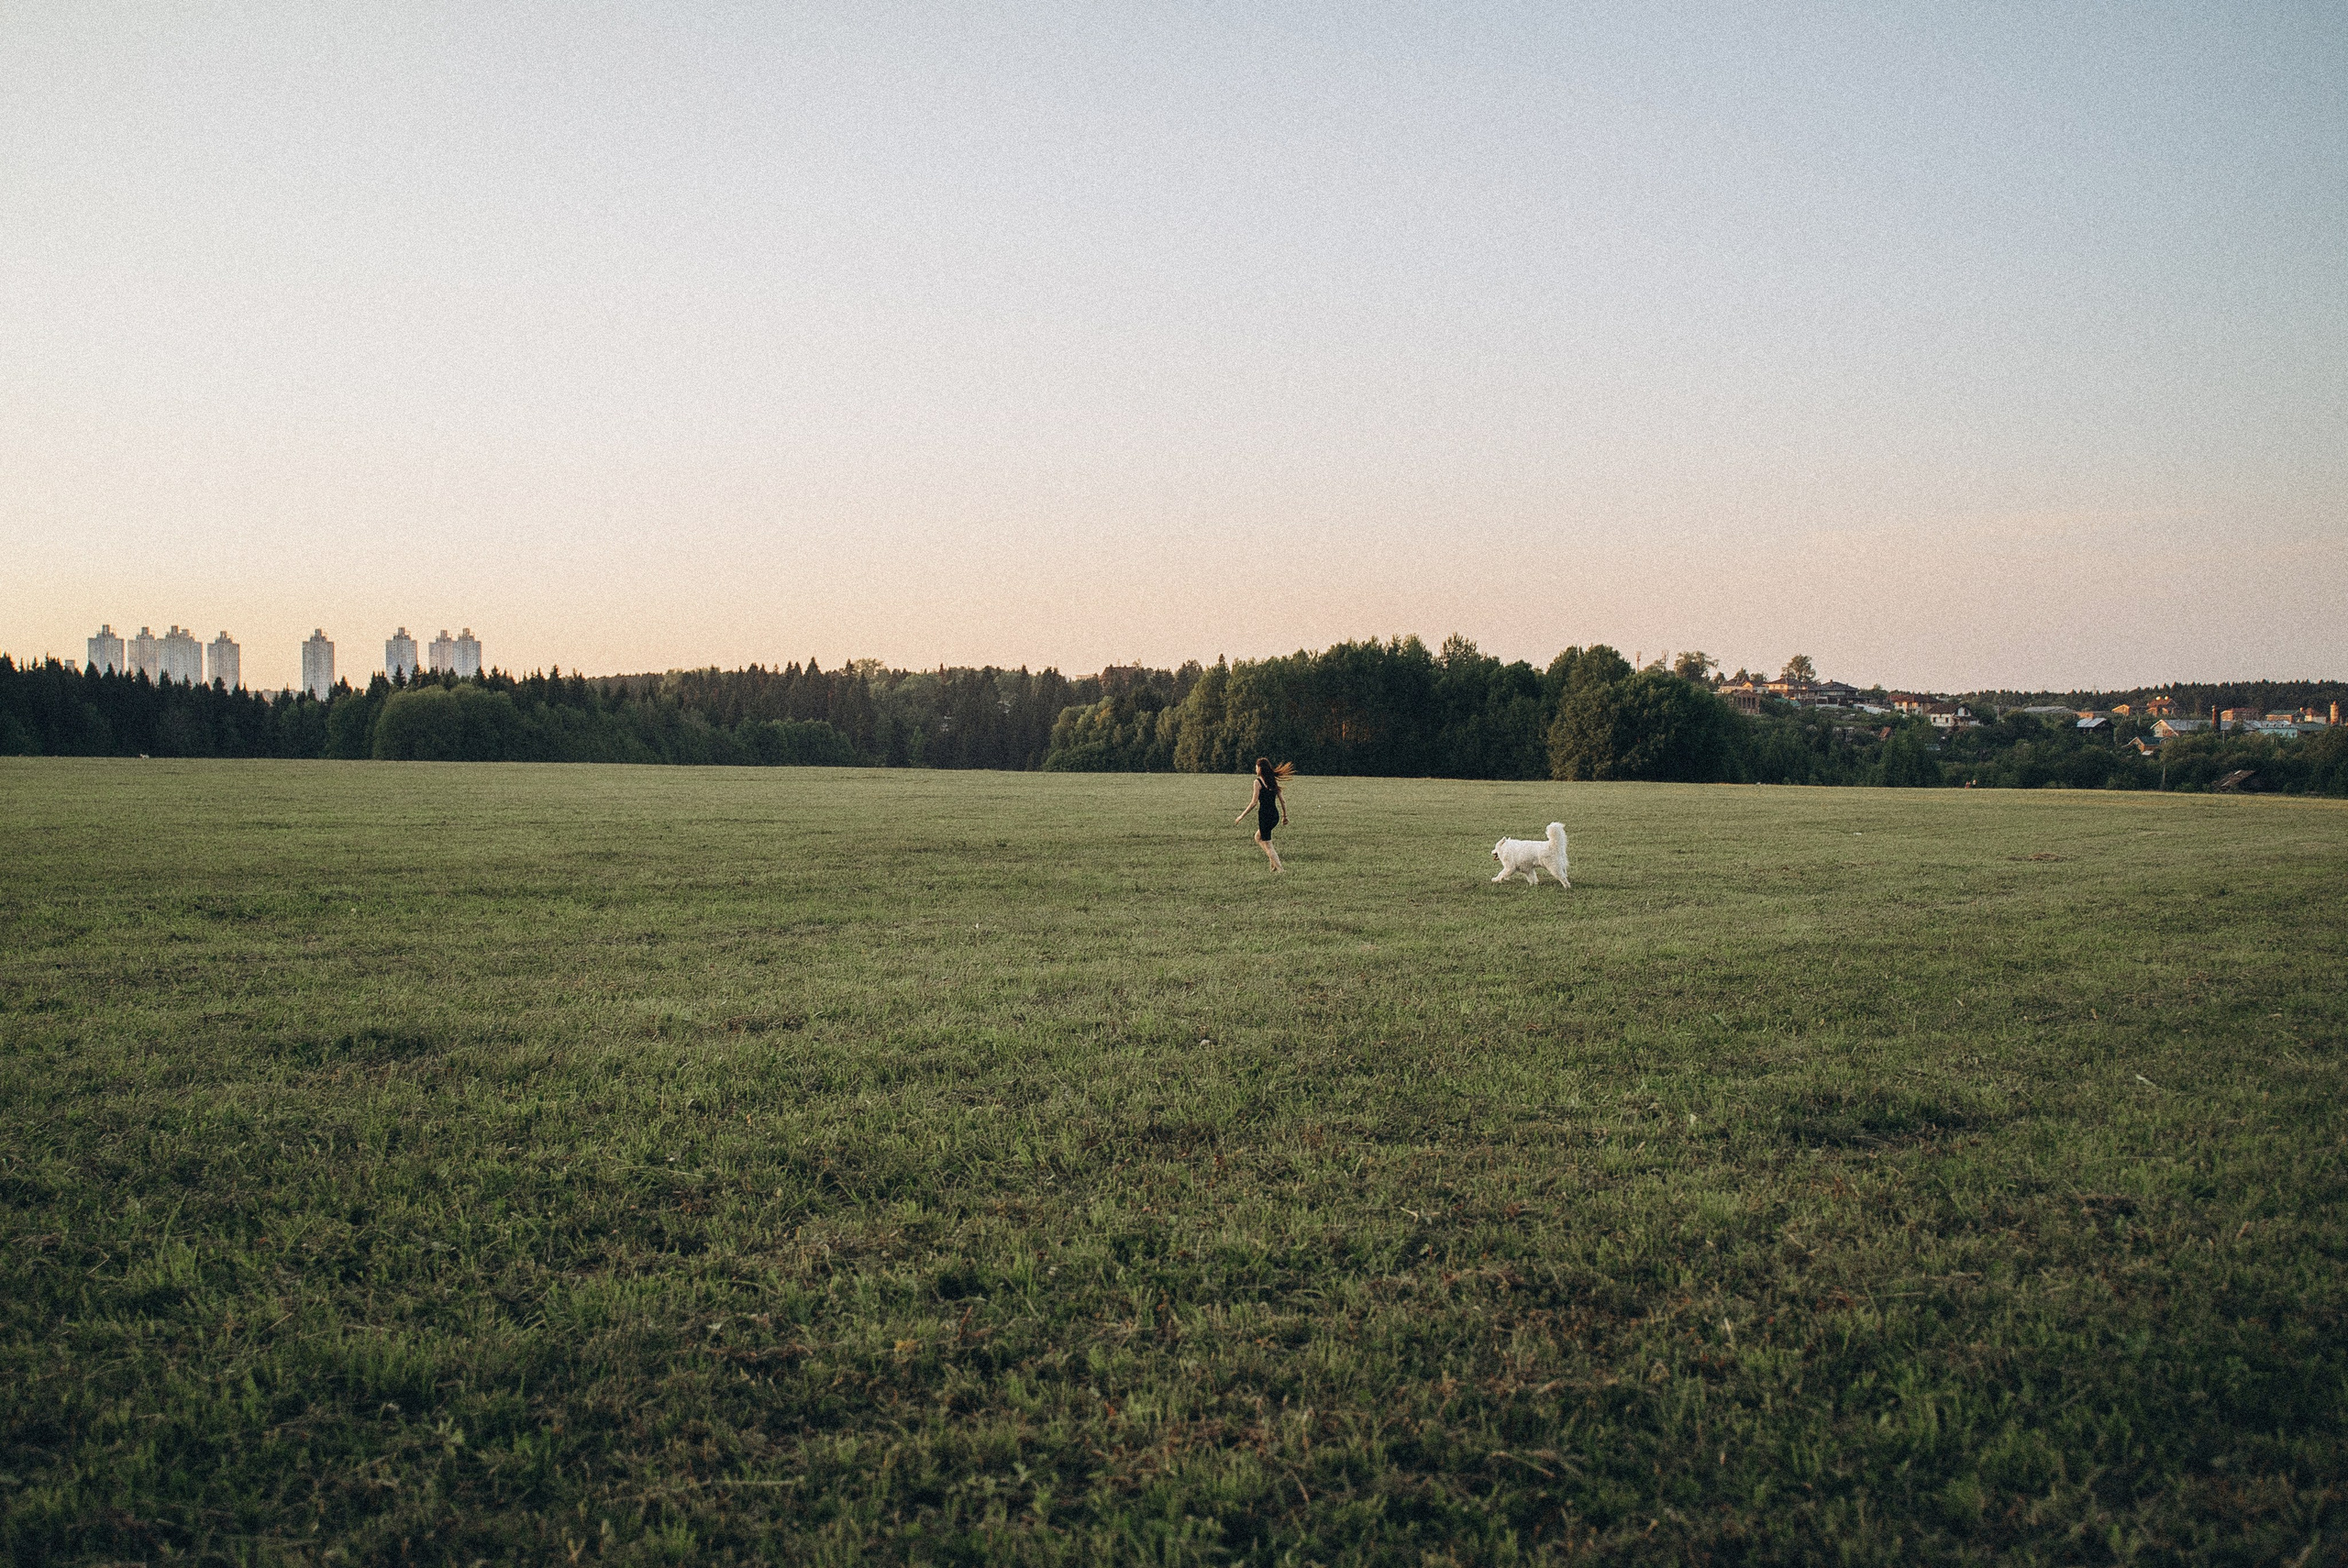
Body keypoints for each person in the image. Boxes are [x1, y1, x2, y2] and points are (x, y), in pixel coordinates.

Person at [1233, 757, 1294, 871]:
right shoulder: (1272, 781)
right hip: (1274, 816)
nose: (1255, 769)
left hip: (1265, 816)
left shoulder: (1258, 782)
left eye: (1256, 767)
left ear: (1260, 768)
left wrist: (1241, 816)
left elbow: (1254, 802)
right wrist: (1284, 816)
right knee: (1258, 837)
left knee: (1267, 844)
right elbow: (1283, 801)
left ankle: (1280, 869)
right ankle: (1273, 865)